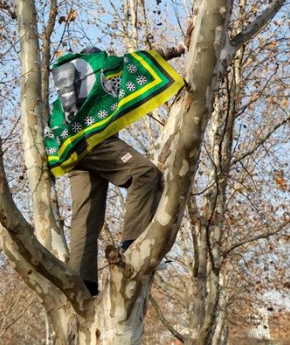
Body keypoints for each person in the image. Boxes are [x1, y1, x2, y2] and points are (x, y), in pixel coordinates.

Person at [46, 36, 190, 296]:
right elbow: (138, 61)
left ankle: (84, 287)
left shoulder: (65, 86)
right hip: (96, 142)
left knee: (86, 219)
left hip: (71, 152)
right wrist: (179, 48)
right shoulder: (100, 65)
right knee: (145, 173)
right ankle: (132, 244)